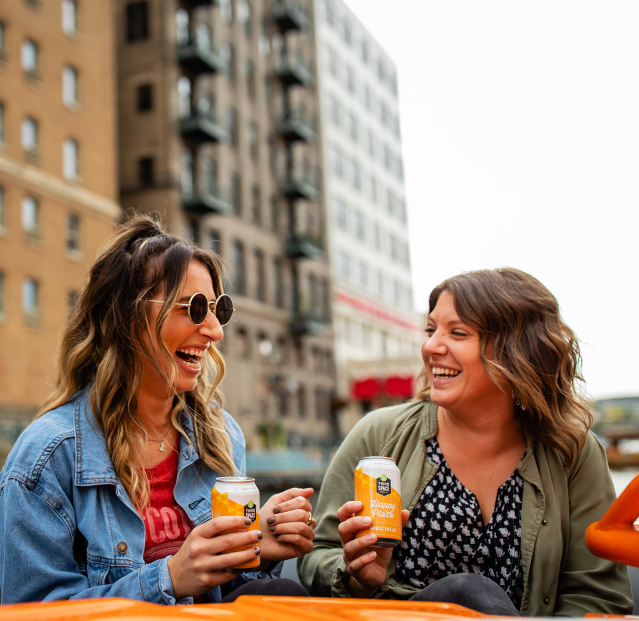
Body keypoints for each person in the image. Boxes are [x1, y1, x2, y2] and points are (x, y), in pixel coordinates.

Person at [0, 214, 315, 605]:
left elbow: (228, 595)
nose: (216, 330)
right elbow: (29, 610)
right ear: (127, 317)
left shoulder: (219, 435)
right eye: (194, 308)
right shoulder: (48, 458)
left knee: (283, 595)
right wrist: (169, 578)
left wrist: (257, 546)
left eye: (220, 309)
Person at [298, 268, 633, 616]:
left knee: (470, 592)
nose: (431, 345)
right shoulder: (379, 435)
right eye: (430, 330)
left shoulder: (573, 452)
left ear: (515, 352)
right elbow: (317, 552)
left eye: (457, 333)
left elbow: (596, 598)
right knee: (466, 590)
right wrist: (356, 578)